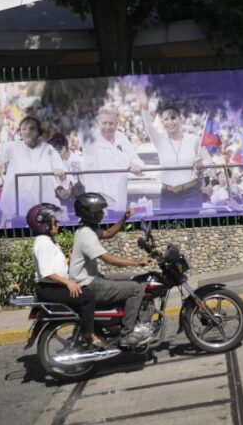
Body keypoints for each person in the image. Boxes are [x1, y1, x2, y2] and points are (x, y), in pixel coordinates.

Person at [69, 192, 156, 348]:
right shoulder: (86, 235)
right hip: (89, 284)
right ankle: (127, 334)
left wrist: (124, 218)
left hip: (92, 279)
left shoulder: (87, 229)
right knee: (136, 289)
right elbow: (108, 259)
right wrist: (137, 262)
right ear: (91, 213)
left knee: (135, 278)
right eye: (100, 210)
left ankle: (127, 320)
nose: (103, 213)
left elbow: (109, 233)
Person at [28, 203, 105, 348]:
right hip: (49, 288)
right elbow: (47, 272)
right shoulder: (43, 243)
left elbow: (54, 265)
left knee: (84, 295)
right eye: (54, 222)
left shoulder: (48, 241)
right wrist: (68, 283)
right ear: (43, 224)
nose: (58, 224)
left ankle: (89, 327)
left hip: (51, 286)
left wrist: (68, 260)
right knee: (87, 296)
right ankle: (88, 334)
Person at [133, 87, 210, 214]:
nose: (170, 122)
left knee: (189, 229)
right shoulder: (159, 140)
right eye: (166, 119)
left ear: (180, 119)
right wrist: (144, 106)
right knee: (169, 230)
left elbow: (208, 159)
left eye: (173, 118)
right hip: (167, 195)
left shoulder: (193, 139)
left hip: (191, 194)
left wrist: (202, 164)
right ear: (162, 122)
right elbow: (148, 125)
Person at [0, 115, 66, 227]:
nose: (28, 132)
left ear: (39, 132)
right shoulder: (12, 147)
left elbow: (59, 169)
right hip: (16, 206)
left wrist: (59, 170)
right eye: (24, 129)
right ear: (20, 132)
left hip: (41, 204)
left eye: (32, 128)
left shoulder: (48, 149)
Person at [78, 107, 143, 218]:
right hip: (98, 204)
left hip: (119, 201)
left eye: (111, 123)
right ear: (97, 123)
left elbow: (135, 158)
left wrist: (137, 166)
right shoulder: (90, 139)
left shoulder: (122, 138)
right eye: (104, 123)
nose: (108, 127)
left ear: (117, 124)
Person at [47, 133, 85, 212]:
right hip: (60, 198)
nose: (56, 154)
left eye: (59, 150)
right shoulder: (52, 163)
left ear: (66, 146)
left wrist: (71, 186)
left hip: (78, 197)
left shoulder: (79, 159)